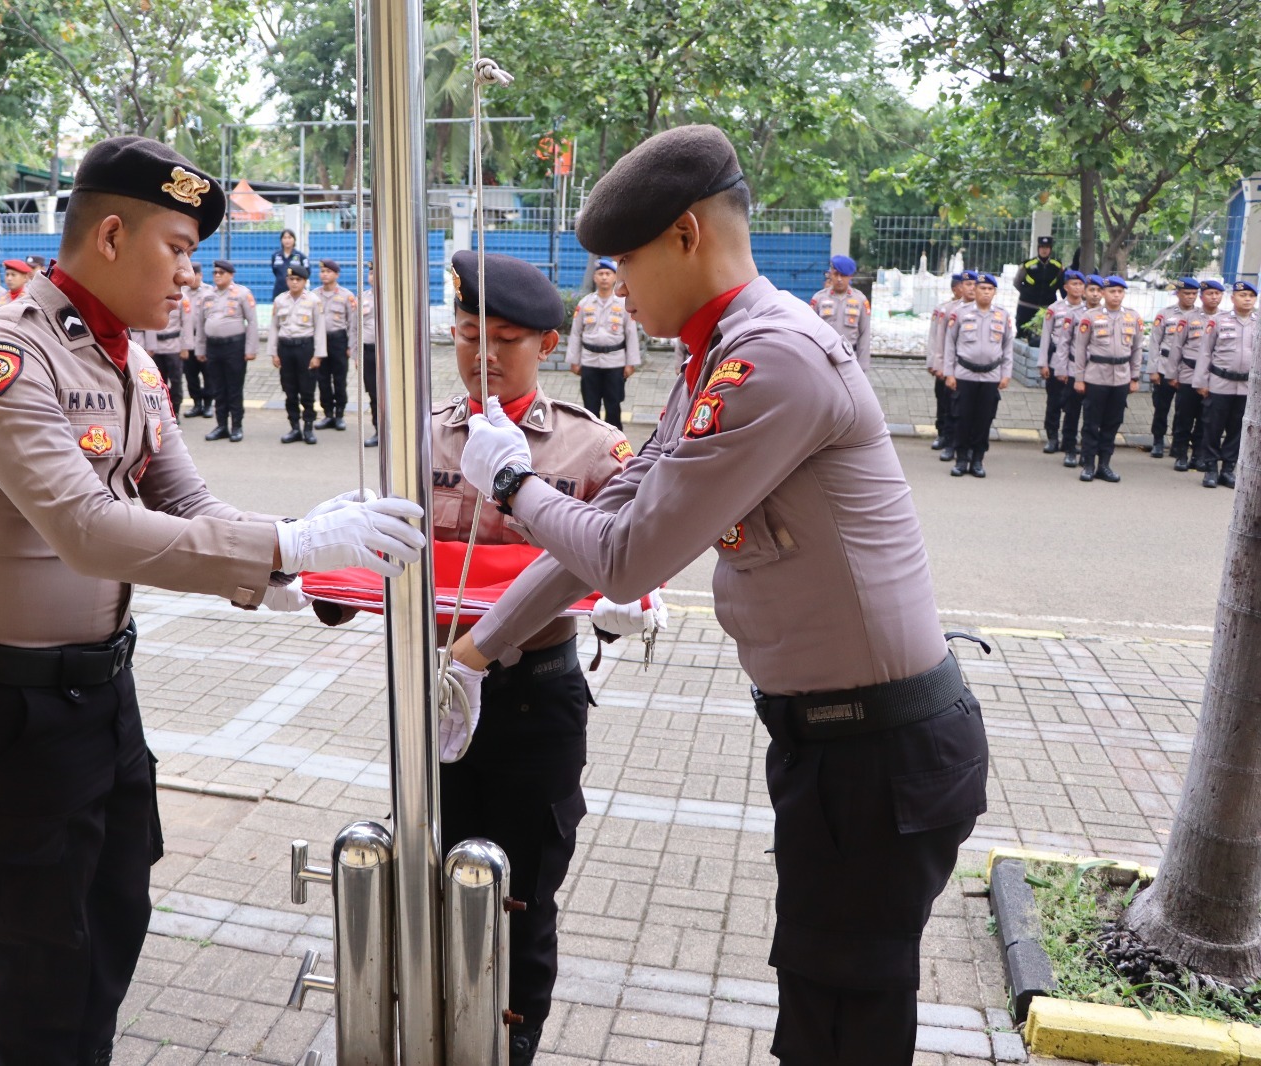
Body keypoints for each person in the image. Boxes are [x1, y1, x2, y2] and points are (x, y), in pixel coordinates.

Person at [450, 124, 987, 1066]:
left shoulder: (768, 360)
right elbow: (605, 523)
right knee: (825, 1006)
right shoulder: (716, 356)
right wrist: (473, 651)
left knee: (841, 1025)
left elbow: (625, 560)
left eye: (626, 263)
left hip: (876, 758)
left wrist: (510, 483)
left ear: (687, 235)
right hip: (839, 747)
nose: (615, 288)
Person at [0, 134, 425, 1066]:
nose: (189, 273)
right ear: (110, 236)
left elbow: (186, 503)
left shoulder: (131, 364)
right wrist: (285, 544)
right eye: (177, 249)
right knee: (46, 955)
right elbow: (88, 529)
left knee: (115, 916)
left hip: (103, 693)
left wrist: (289, 562)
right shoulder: (6, 358)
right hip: (11, 706)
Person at [317, 249, 659, 1066]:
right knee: (426, 880)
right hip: (431, 693)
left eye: (506, 339)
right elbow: (377, 560)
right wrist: (326, 570)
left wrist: (625, 601)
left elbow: (622, 565)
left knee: (520, 897)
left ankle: (512, 1045)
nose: (484, 355)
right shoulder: (420, 437)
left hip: (534, 697)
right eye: (470, 335)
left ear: (547, 344)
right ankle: (434, 1033)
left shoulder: (590, 449)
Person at [1070, 275, 1143, 483]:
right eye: (1112, 291)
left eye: (1120, 292)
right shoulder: (1091, 317)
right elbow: (1080, 348)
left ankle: (1104, 464)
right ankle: (1088, 465)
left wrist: (1135, 377)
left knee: (1112, 423)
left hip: (1121, 378)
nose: (1116, 295)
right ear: (1103, 293)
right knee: (1091, 423)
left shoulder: (1132, 317)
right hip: (1096, 376)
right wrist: (1079, 378)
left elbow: (1137, 349)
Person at [944, 273, 1013, 478]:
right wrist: (949, 373)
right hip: (964, 374)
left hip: (991, 375)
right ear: (975, 290)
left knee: (984, 420)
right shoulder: (960, 313)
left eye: (990, 289)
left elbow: (1008, 346)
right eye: (982, 288)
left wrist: (1006, 373)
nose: (986, 292)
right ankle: (961, 459)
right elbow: (950, 344)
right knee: (962, 418)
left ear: (994, 292)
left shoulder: (1002, 315)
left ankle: (977, 460)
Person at [1193, 279, 1256, 489]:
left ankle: (1228, 469)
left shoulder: (1258, 323)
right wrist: (1201, 382)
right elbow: (1205, 352)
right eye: (1243, 295)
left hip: (1247, 387)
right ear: (1233, 298)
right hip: (1220, 383)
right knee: (1213, 426)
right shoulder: (1218, 321)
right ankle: (1210, 468)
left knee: (1238, 429)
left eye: (1251, 296)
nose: (1247, 299)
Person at [568, 256, 641, 427]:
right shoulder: (585, 303)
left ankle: (615, 440)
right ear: (595, 277)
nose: (604, 277)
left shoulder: (623, 304)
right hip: (589, 361)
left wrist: (631, 363)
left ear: (615, 277)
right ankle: (592, 440)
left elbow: (631, 333)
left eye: (608, 273)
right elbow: (576, 333)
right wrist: (574, 361)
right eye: (600, 274)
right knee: (590, 408)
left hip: (614, 362)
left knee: (613, 406)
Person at [193, 258, 259, 442]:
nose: (217, 276)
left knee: (234, 388)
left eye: (221, 273)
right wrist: (200, 349)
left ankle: (236, 425)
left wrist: (251, 349)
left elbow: (252, 322)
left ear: (231, 275)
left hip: (234, 347)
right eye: (215, 273)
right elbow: (200, 324)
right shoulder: (208, 295)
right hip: (213, 347)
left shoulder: (242, 293)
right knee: (218, 388)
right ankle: (221, 425)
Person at [1169, 280, 1224, 472]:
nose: (1214, 297)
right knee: (1184, 416)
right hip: (1188, 373)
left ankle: (1198, 456)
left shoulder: (1224, 319)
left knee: (1205, 419)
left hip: (1212, 376)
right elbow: (1176, 347)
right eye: (1210, 294)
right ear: (1201, 297)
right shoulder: (1188, 318)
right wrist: (1172, 374)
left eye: (1217, 294)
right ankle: (1181, 454)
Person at [270, 264, 326, 444]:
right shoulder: (280, 300)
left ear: (304, 281)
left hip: (305, 348)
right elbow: (274, 327)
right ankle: (294, 427)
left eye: (298, 279)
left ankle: (308, 427)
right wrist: (273, 353)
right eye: (291, 279)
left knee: (307, 390)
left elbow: (320, 329)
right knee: (290, 390)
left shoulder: (313, 300)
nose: (294, 282)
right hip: (285, 348)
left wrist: (318, 355)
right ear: (286, 280)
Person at [1145, 279, 1199, 458]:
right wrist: (1153, 369)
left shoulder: (1200, 316)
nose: (1190, 297)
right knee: (1161, 407)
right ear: (1178, 293)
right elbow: (1154, 342)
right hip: (1164, 366)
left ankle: (1177, 443)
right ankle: (1158, 441)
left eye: (1194, 294)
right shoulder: (1165, 314)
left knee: (1184, 409)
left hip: (1187, 368)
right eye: (1187, 293)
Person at [1037, 269, 1087, 456]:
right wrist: (1043, 363)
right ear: (1065, 287)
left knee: (1073, 404)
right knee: (1054, 401)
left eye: (1080, 284)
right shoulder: (1055, 308)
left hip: (1076, 363)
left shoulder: (1087, 311)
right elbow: (1045, 337)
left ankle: (1068, 440)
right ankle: (1052, 437)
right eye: (1074, 284)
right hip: (1056, 359)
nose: (1077, 288)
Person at [925, 271, 974, 459]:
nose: (971, 288)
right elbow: (936, 338)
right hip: (946, 364)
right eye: (966, 284)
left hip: (966, 367)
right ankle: (943, 434)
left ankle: (962, 441)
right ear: (956, 288)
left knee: (961, 406)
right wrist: (935, 364)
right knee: (944, 401)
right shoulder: (946, 309)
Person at [133, 282, 192, 421]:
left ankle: (175, 411)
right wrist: (150, 346)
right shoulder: (155, 294)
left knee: (176, 381)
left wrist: (185, 347)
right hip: (156, 348)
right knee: (158, 382)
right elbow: (149, 320)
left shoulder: (182, 297)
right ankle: (160, 414)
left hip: (174, 347)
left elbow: (187, 323)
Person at [312, 258, 357, 432]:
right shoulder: (314, 295)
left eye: (328, 271)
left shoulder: (346, 296)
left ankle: (339, 415)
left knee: (339, 379)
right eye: (322, 271)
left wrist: (351, 346)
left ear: (336, 274)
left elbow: (353, 323)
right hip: (320, 341)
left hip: (338, 340)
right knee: (322, 379)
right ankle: (328, 414)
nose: (324, 274)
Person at [809, 254, 871, 369]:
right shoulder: (818, 299)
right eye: (836, 274)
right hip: (824, 358)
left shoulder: (860, 300)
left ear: (850, 276)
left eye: (843, 275)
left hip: (850, 358)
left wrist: (862, 366)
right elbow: (811, 332)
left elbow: (865, 334)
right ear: (830, 274)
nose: (839, 279)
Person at [1015, 235, 1065, 341]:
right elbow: (1017, 282)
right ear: (1038, 248)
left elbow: (1061, 283)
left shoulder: (1057, 266)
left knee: (1045, 338)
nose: (1044, 250)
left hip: (1047, 307)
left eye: (1047, 247)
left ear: (1050, 249)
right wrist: (1027, 293)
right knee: (1022, 335)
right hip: (1026, 306)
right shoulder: (1028, 264)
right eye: (1042, 247)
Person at [180, 262, 213, 419]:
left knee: (208, 374)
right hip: (187, 339)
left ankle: (208, 404)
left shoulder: (209, 292)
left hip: (204, 339)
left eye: (196, 275)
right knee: (190, 374)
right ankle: (197, 403)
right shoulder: (182, 292)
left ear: (200, 275)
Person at [361, 262, 379, 448]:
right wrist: (356, 354)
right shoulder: (362, 298)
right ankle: (378, 430)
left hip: (388, 355)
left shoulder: (392, 298)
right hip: (368, 352)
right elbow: (355, 327)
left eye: (377, 273)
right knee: (374, 394)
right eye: (371, 273)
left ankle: (394, 431)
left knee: (391, 393)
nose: (373, 277)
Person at [269, 227, 308, 298]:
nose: (287, 240)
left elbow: (307, 272)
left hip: (297, 293)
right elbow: (275, 271)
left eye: (289, 237)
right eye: (284, 238)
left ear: (294, 239)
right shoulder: (275, 256)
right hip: (279, 291)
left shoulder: (301, 256)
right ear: (281, 240)